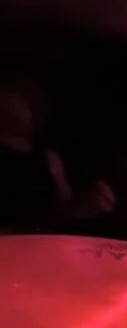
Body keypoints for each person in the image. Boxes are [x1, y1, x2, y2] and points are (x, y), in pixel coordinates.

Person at [0, 83, 115, 233]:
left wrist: (86, 206)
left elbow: (64, 208)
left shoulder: (48, 159)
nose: (12, 105)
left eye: (24, 102)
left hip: (34, 243)